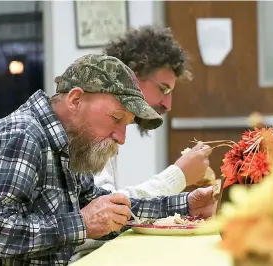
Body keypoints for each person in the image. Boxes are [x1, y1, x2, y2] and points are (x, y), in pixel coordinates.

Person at [0, 54, 216, 265]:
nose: (121, 137)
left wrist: (184, 205)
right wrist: (81, 223)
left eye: (127, 124)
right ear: (76, 100)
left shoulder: (71, 144)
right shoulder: (23, 136)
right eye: (116, 118)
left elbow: (109, 209)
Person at [71, 25, 215, 262]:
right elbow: (103, 212)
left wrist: (185, 203)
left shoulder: (107, 129)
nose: (167, 104)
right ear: (133, 76)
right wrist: (177, 176)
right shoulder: (86, 129)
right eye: (163, 89)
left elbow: (103, 206)